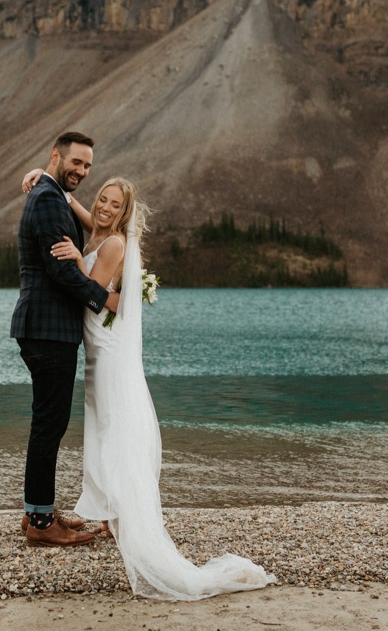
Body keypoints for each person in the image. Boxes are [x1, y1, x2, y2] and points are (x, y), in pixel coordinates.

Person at [20, 169, 275, 599]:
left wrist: (71, 259)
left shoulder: (116, 242)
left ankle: (123, 517)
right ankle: (110, 513)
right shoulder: (105, 231)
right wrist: (49, 180)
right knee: (105, 426)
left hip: (108, 349)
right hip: (101, 346)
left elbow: (89, 290)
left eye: (114, 205)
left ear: (126, 213)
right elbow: (85, 217)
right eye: (101, 199)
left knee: (115, 426)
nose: (103, 207)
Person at [11, 130, 119, 547]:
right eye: (76, 162)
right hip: (47, 329)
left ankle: (37, 511)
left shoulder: (49, 194)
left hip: (46, 328)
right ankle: (40, 524)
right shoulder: (48, 200)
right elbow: (61, 271)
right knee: (49, 424)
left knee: (48, 423)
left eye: (88, 165)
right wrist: (106, 300)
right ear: (57, 156)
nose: (83, 171)